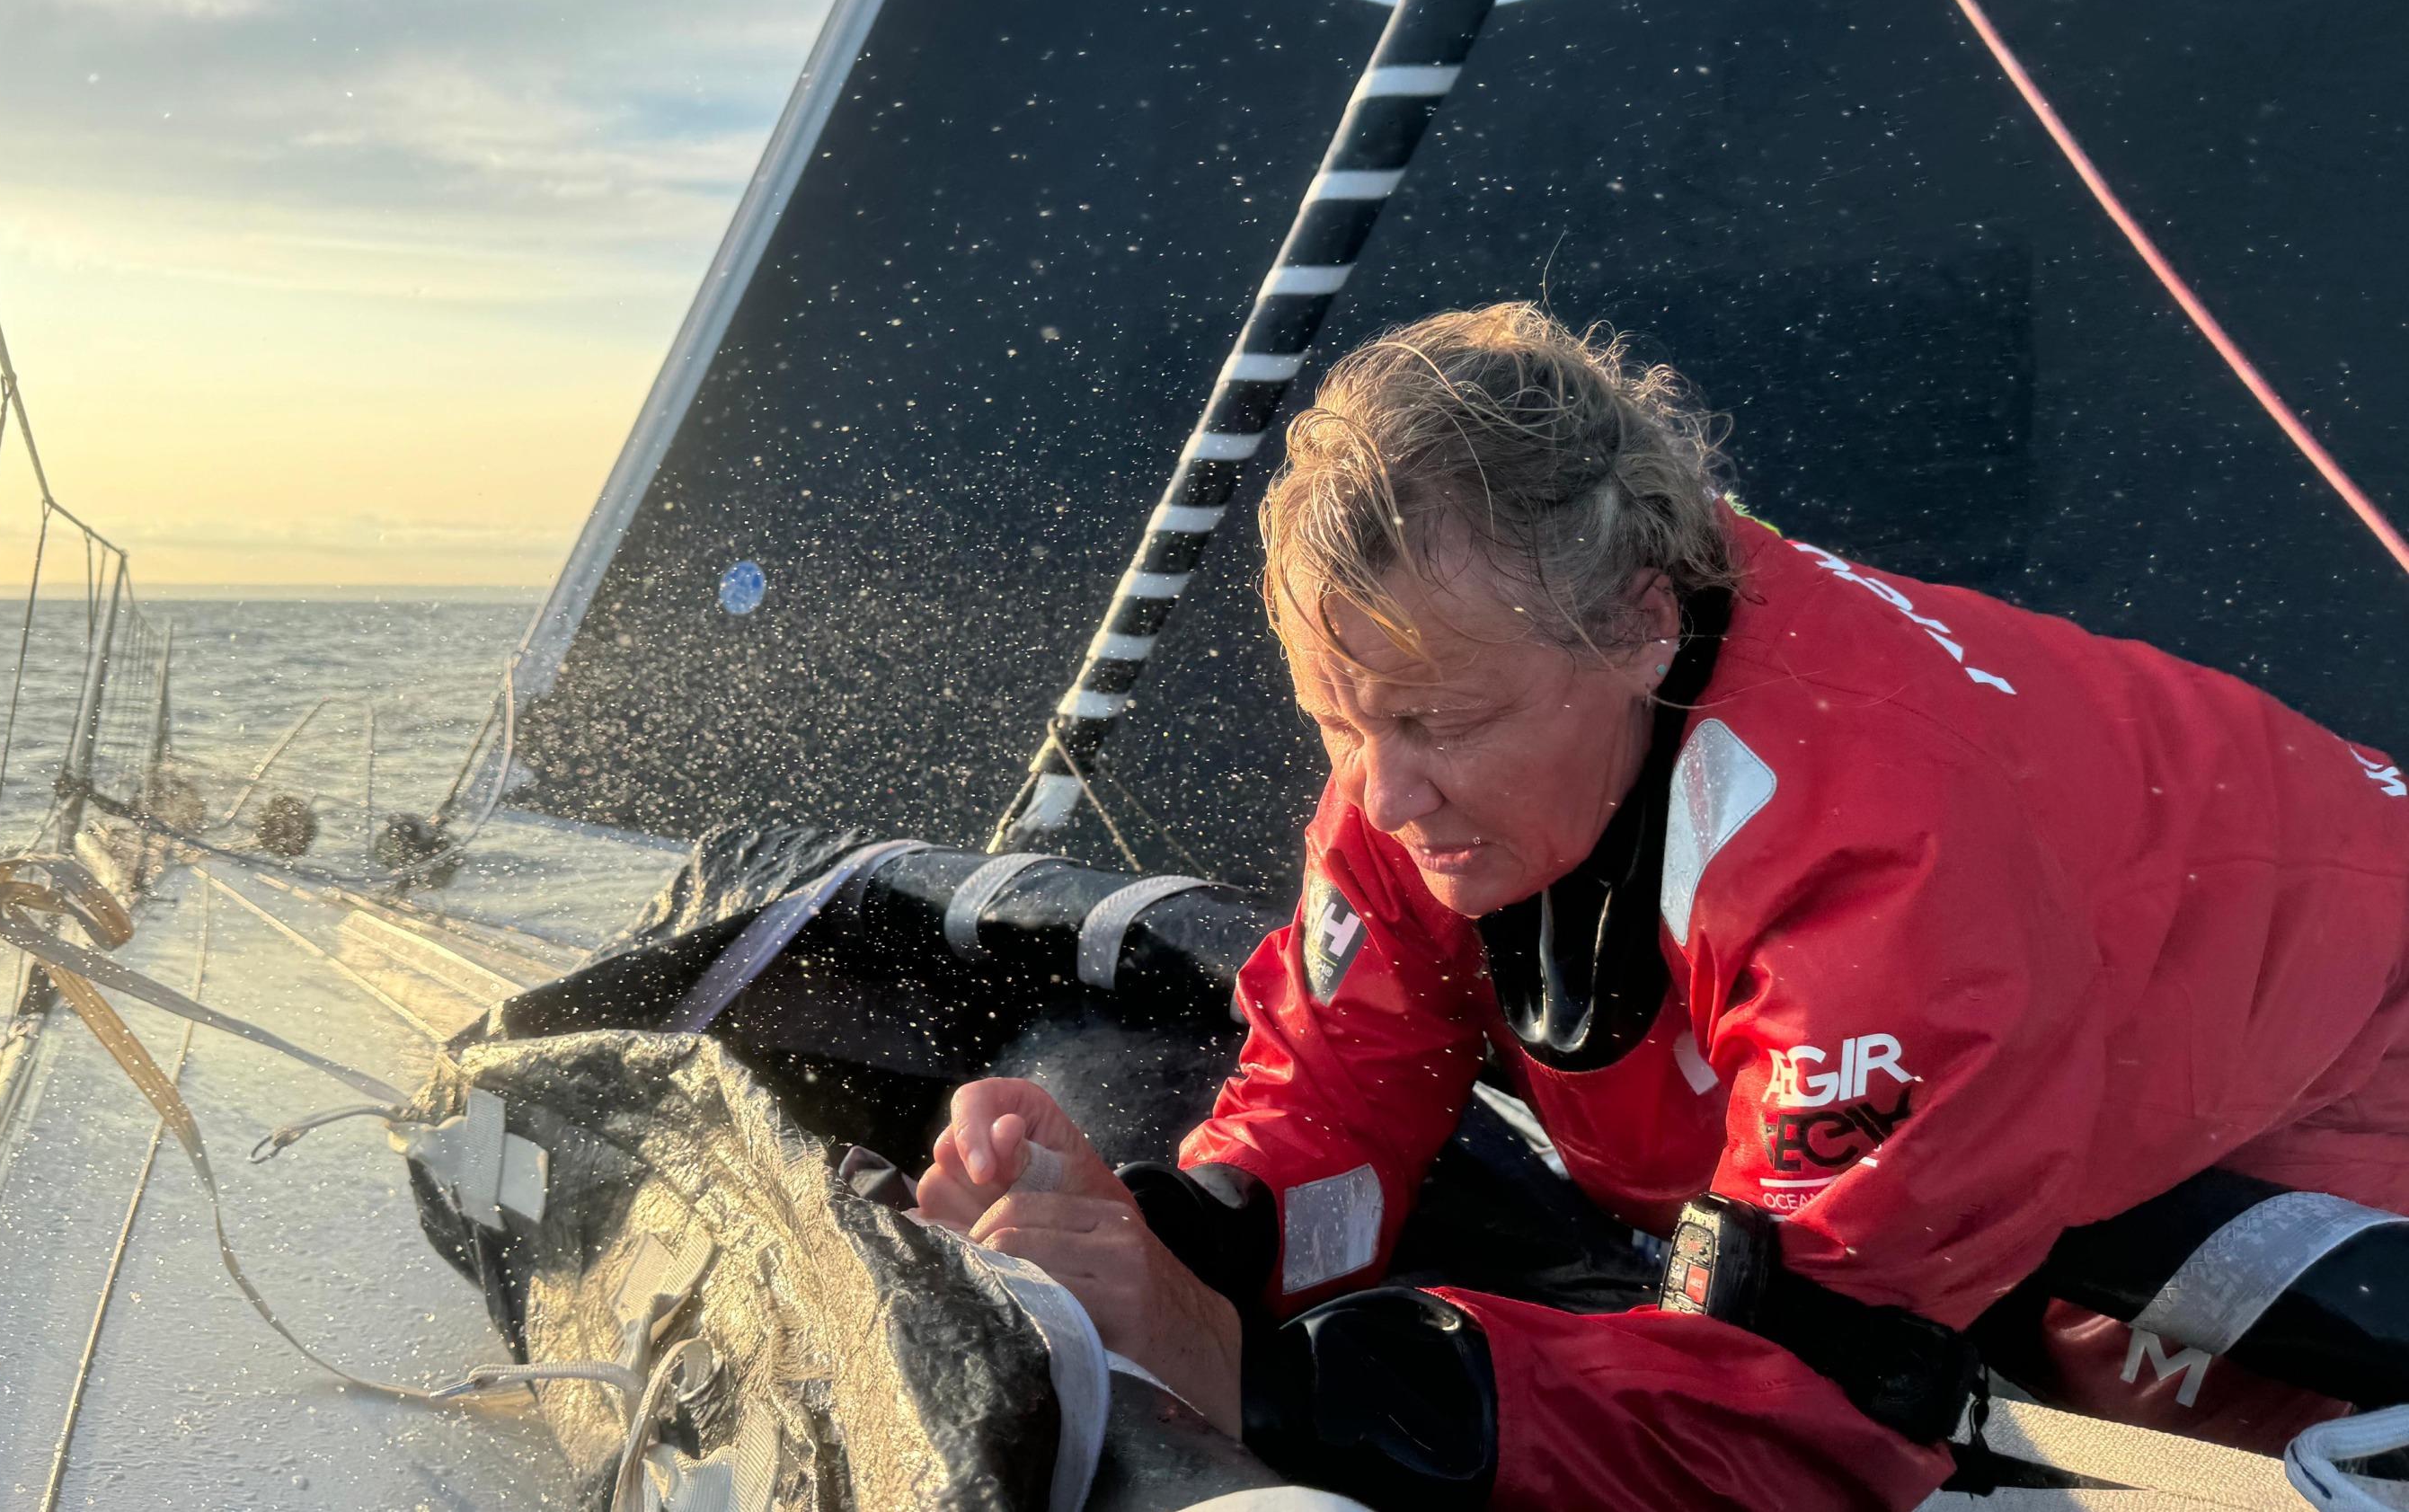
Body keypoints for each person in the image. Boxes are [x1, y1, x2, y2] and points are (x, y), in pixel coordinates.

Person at [914, 303, 2409, 1510]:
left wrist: (1255, 1378)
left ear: (1641, 626)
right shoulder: (1444, 733)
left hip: (2344, 1089)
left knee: (2171, 1417)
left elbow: (1796, 1428)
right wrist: (1162, 1237)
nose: (1379, 797)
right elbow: (1333, 1083)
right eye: (1337, 724)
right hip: (2088, 1029)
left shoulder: (1879, 868)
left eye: (1436, 722)